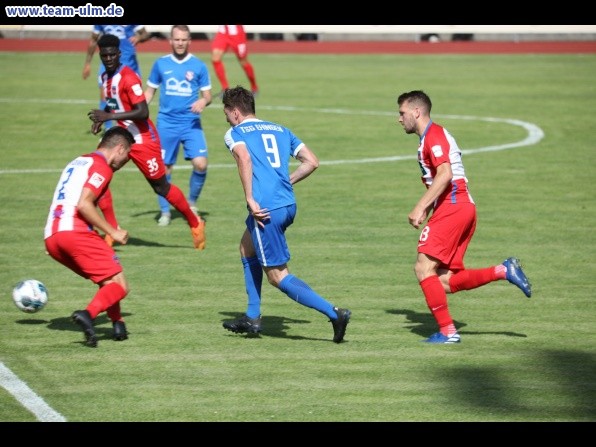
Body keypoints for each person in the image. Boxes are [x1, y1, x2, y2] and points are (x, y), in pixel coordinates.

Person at [396, 90, 532, 344]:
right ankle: (503, 270)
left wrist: (420, 206)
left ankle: (448, 332)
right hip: (461, 207)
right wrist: (430, 206)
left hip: (453, 206)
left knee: (423, 268)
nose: (399, 119)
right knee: (444, 281)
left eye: (402, 112)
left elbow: (445, 173)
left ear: (416, 111)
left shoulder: (433, 136)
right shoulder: (430, 137)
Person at [220, 86, 351, 343]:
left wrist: (250, 198)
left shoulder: (235, 132)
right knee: (247, 248)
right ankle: (252, 316)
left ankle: (334, 313)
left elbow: (244, 159)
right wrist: (286, 182)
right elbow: (312, 161)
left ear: (235, 112)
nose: (226, 118)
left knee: (277, 276)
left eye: (226, 113)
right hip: (287, 204)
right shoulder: (280, 129)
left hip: (265, 208)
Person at [87, 33, 206, 250]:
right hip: (119, 137)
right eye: (105, 55)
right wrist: (102, 118)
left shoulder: (129, 77)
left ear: (119, 54)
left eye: (113, 55)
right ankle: (111, 230)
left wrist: (109, 117)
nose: (109, 59)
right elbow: (113, 103)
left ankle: (194, 221)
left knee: (161, 187)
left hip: (142, 139)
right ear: (100, 55)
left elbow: (142, 112)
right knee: (99, 175)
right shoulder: (104, 77)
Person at [44, 127, 135, 348]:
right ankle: (88, 314)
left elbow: (100, 200)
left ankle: (117, 324)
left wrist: (117, 320)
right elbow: (84, 203)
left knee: (108, 280)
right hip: (74, 232)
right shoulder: (101, 167)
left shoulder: (79, 161)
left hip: (52, 237)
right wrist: (112, 231)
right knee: (122, 285)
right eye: (127, 155)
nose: (127, 161)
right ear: (119, 148)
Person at [144, 25, 212, 227]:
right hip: (166, 124)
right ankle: (165, 212)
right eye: (177, 39)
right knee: (163, 170)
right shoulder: (161, 64)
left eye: (184, 39)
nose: (180, 43)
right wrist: (135, 109)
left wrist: (203, 101)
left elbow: (207, 95)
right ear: (171, 41)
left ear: (189, 41)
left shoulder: (199, 66)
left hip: (191, 123)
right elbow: (149, 92)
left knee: (201, 163)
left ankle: (191, 203)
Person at [82, 25, 150, 132]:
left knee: (133, 100)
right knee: (106, 96)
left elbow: (145, 34)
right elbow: (94, 39)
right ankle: (108, 129)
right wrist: (87, 63)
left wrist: (139, 38)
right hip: (108, 61)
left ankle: (133, 130)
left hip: (129, 62)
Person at [211, 25, 259, 98]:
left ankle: (254, 87)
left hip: (237, 34)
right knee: (215, 58)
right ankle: (225, 88)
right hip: (223, 32)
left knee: (243, 62)